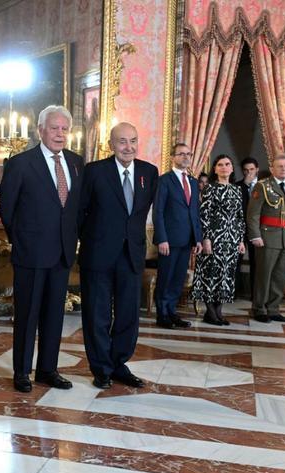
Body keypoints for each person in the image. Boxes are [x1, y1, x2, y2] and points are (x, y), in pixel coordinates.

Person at [0, 105, 83, 393]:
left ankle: (48, 369)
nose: (59, 134)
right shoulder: (21, 163)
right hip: (31, 253)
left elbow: (75, 208)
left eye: (64, 129)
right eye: (54, 128)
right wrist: (21, 239)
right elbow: (7, 209)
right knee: (27, 314)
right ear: (41, 130)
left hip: (62, 253)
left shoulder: (75, 162)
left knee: (54, 315)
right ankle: (22, 371)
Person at [78, 123, 158, 390]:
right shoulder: (95, 171)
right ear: (111, 144)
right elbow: (81, 212)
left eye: (133, 141)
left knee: (128, 315)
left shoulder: (149, 172)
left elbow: (141, 213)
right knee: (97, 314)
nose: (128, 147)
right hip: (98, 254)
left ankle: (118, 363)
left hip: (132, 255)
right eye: (122, 141)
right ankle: (101, 368)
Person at [152, 143, 202, 329]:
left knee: (178, 278)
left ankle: (172, 312)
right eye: (181, 154)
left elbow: (194, 212)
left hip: (187, 240)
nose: (186, 157)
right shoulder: (164, 180)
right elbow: (158, 212)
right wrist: (162, 238)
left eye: (188, 154)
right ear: (173, 157)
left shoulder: (193, 182)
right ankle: (162, 314)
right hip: (169, 240)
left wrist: (197, 238)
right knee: (166, 277)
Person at [191, 154, 245, 325]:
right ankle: (210, 312)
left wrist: (241, 240)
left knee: (226, 275)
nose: (224, 167)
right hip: (214, 238)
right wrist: (206, 238)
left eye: (227, 164)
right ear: (215, 169)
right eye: (220, 164)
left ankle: (219, 311)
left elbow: (240, 216)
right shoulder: (210, 188)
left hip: (232, 239)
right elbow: (204, 215)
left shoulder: (237, 189)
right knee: (211, 274)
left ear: (232, 168)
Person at [246, 155, 285, 323]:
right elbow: (253, 215)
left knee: (280, 275)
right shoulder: (262, 186)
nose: (283, 169)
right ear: (272, 168)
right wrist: (255, 236)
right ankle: (259, 309)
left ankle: (274, 309)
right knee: (264, 274)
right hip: (267, 237)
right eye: (280, 166)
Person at [235, 157, 260, 296]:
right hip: (240, 228)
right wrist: (245, 184)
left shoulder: (264, 185)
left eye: (251, 169)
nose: (248, 172)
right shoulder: (238, 186)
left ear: (257, 169)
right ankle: (234, 292)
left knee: (256, 262)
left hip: (257, 228)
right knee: (236, 260)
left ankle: (255, 294)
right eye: (245, 170)